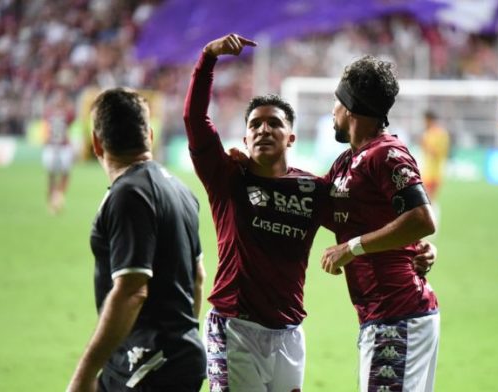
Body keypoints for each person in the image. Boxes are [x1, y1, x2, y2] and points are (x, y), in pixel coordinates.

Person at [183, 34, 437, 392]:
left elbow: (372, 222)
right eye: (254, 125)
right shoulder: (228, 179)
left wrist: (417, 248)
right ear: (243, 139)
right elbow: (194, 120)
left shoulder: (315, 189)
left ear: (291, 138)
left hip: (290, 334)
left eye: (274, 124)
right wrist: (208, 57)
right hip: (235, 328)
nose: (263, 129)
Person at [66, 88, 206, 392]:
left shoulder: (128, 195)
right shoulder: (182, 191)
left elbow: (132, 291)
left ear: (96, 144)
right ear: (150, 136)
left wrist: (84, 374)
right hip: (166, 359)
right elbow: (197, 278)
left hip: (146, 365)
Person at [320, 55, 440, 392]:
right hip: (383, 315)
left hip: (399, 313)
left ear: (351, 109)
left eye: (336, 101)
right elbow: (314, 200)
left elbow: (421, 218)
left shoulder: (387, 154)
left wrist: (352, 247)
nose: (332, 110)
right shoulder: (347, 162)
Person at [42, 89, 76, 214]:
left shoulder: (66, 113)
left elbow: (73, 116)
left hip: (63, 146)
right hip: (52, 146)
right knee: (51, 174)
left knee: (65, 172)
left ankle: (58, 196)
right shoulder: (49, 112)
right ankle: (52, 198)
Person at [420, 110, 450, 202]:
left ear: (429, 120)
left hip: (433, 173)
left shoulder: (437, 134)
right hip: (431, 173)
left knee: (428, 200)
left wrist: (426, 146)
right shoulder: (432, 133)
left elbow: (436, 153)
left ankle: (432, 216)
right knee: (428, 200)